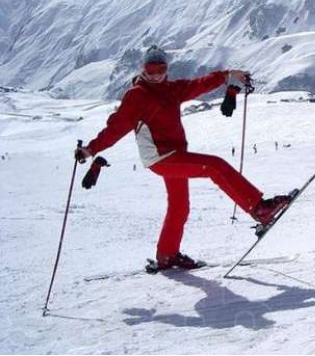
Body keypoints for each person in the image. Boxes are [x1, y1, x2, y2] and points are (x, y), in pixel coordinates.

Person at [74, 45, 291, 270]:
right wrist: (91, 149)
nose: (156, 74)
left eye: (161, 69)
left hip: (176, 155)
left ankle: (167, 255)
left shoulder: (170, 89)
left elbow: (197, 85)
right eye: (151, 70)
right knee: (214, 166)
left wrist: (227, 76)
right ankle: (259, 208)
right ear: (142, 70)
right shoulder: (137, 95)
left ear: (166, 69)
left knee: (179, 206)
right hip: (160, 158)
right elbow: (116, 127)